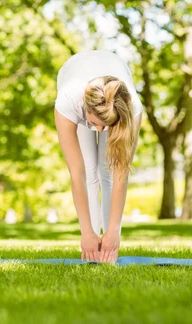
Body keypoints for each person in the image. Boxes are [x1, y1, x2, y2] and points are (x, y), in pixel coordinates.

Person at [54, 50, 143, 264]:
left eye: (107, 126)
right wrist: (86, 232)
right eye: (95, 124)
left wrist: (114, 231)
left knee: (109, 172)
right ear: (86, 109)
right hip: (74, 72)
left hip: (114, 74)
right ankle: (92, 247)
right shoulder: (68, 101)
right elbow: (77, 174)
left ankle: (108, 249)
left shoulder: (131, 107)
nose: (101, 130)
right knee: (89, 170)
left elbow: (121, 175)